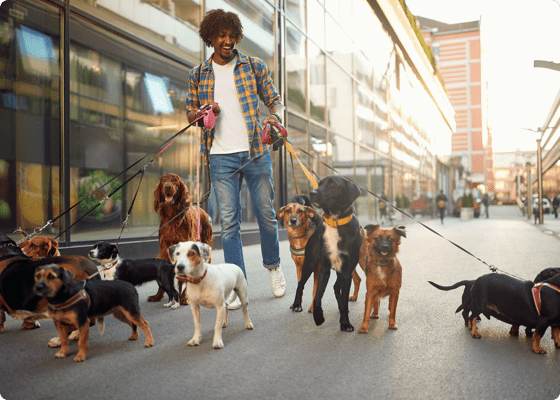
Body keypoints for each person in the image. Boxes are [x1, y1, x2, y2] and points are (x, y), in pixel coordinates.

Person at [185, 9, 286, 308]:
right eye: (221, 36)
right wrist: (205, 113)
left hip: (255, 151)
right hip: (219, 156)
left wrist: (274, 118)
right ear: (211, 37)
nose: (227, 41)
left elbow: (275, 100)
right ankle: (234, 283)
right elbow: (191, 114)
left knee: (266, 215)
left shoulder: (253, 66)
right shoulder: (198, 74)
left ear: (237, 37)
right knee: (229, 223)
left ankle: (273, 267)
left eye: (232, 36)